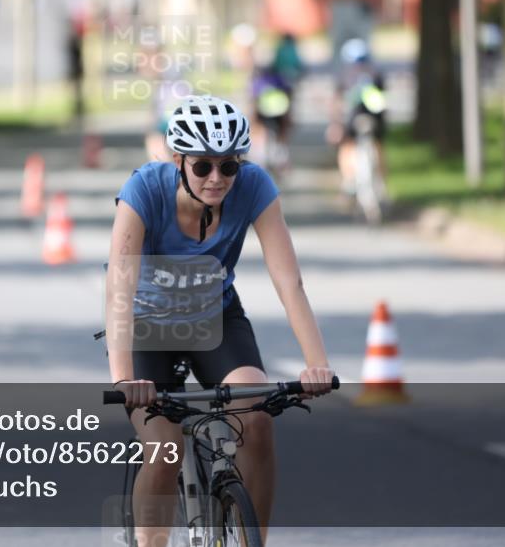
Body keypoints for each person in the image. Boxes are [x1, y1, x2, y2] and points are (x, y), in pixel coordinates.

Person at [105, 95, 335, 546]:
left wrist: (316, 364)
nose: (217, 179)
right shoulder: (144, 191)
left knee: (257, 419)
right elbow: (119, 290)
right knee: (165, 447)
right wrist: (123, 379)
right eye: (203, 167)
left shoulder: (254, 187)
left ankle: (254, 540)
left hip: (216, 318)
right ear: (178, 161)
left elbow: (290, 283)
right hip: (146, 327)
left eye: (229, 167)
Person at [327, 38, 388, 194]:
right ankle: (382, 182)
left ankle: (348, 180)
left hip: (353, 120)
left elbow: (337, 103)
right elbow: (383, 101)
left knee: (346, 145)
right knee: (378, 144)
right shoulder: (376, 74)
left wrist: (335, 125)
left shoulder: (344, 75)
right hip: (374, 120)